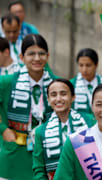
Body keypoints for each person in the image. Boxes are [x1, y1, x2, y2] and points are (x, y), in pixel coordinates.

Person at [0, 34, 59, 180]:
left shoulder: (56, 85)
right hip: (14, 154)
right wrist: (3, 129)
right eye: (31, 53)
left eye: (41, 53)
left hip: (45, 155)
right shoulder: (7, 82)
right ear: (21, 57)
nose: (37, 58)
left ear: (48, 55)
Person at [33, 79, 95, 180]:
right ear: (48, 100)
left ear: (73, 97)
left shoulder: (89, 122)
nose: (58, 99)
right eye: (53, 95)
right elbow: (39, 170)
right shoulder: (41, 132)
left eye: (63, 94)